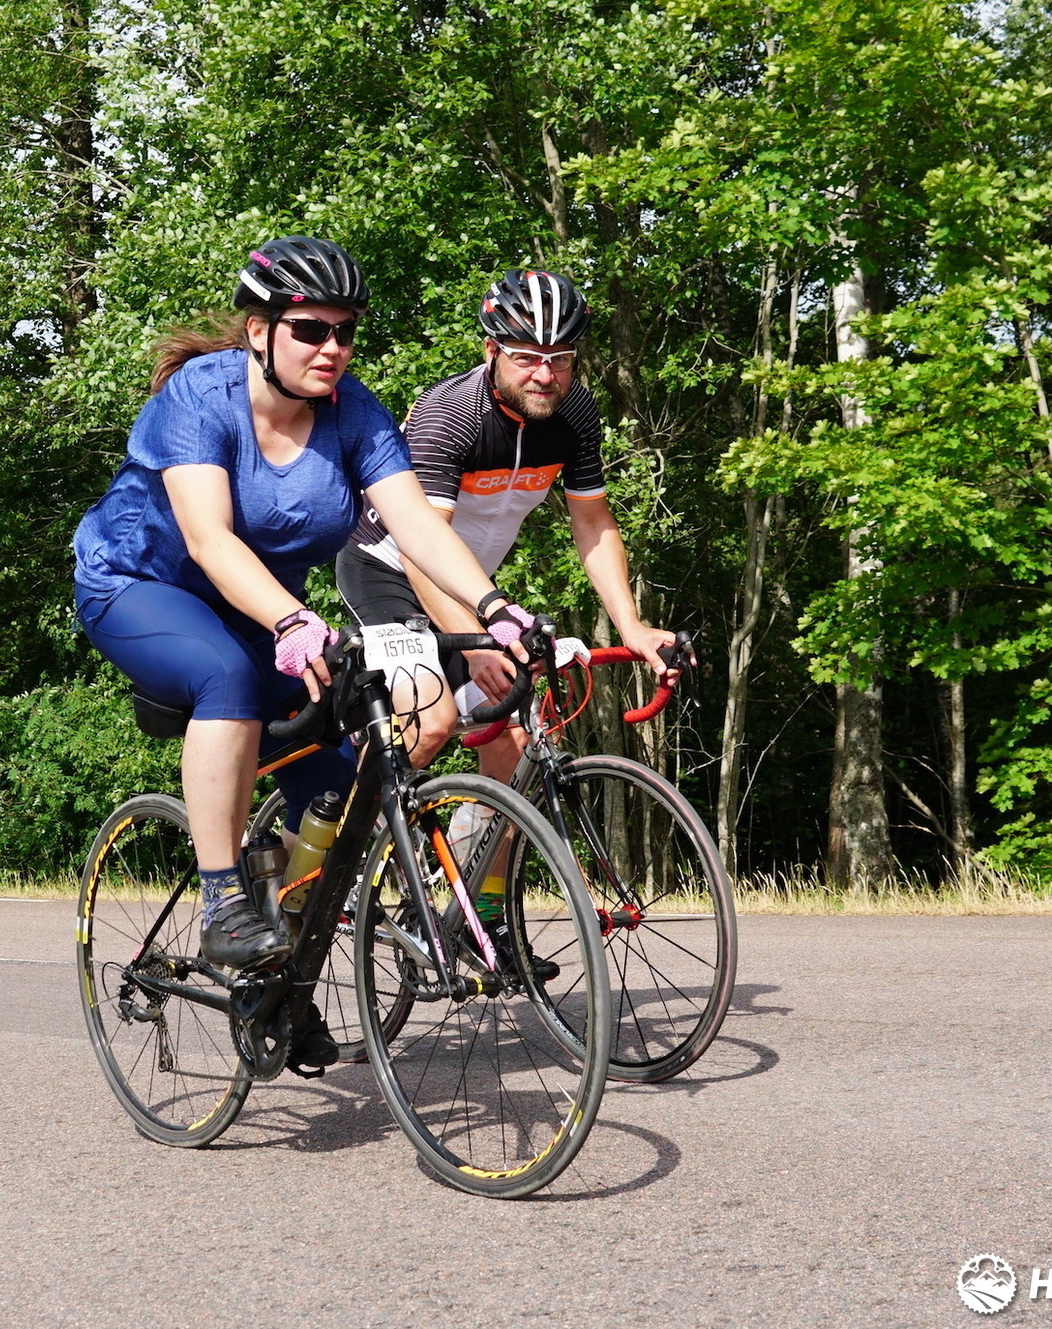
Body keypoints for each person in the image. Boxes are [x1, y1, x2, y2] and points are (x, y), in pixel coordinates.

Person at [72, 238, 536, 1065]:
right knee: (223, 675)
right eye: (312, 329)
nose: (333, 348)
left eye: (345, 332)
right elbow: (209, 540)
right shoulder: (200, 396)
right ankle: (222, 900)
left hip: (259, 607)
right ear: (260, 330)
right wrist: (292, 620)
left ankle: (277, 979)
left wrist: (494, 608)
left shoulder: (355, 413)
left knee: (337, 788)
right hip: (139, 585)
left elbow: (417, 525)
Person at [334, 269, 680, 970]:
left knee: (514, 747)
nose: (545, 374)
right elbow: (423, 550)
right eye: (527, 356)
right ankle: (332, 847)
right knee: (432, 720)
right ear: (491, 349)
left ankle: (478, 916)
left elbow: (592, 522)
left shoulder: (574, 414)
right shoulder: (450, 415)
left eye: (560, 358)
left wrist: (633, 627)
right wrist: (477, 641)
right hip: (390, 571)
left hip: (472, 587)